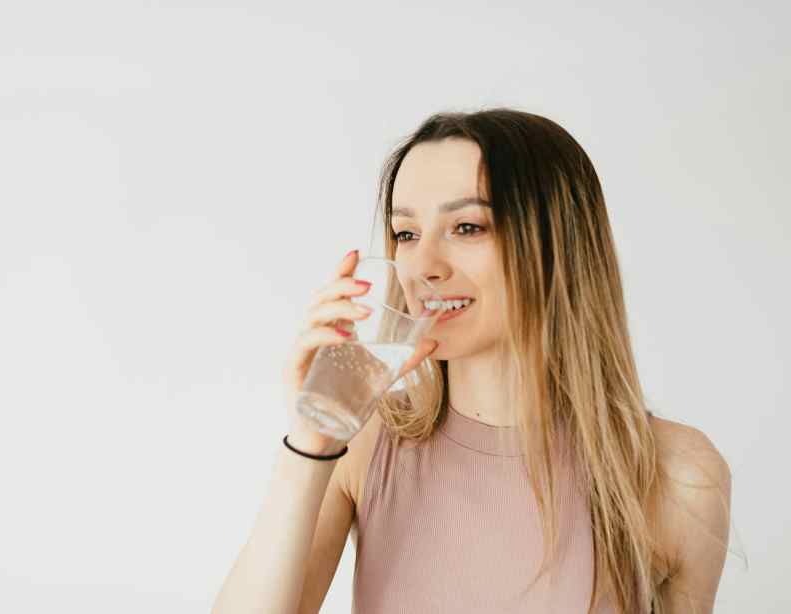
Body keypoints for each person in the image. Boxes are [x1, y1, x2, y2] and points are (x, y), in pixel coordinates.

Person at [212, 109, 732, 614]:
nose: (423, 267)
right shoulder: (365, 443)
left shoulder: (678, 475)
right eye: (406, 234)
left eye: (466, 227)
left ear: (558, 244)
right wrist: (309, 444)